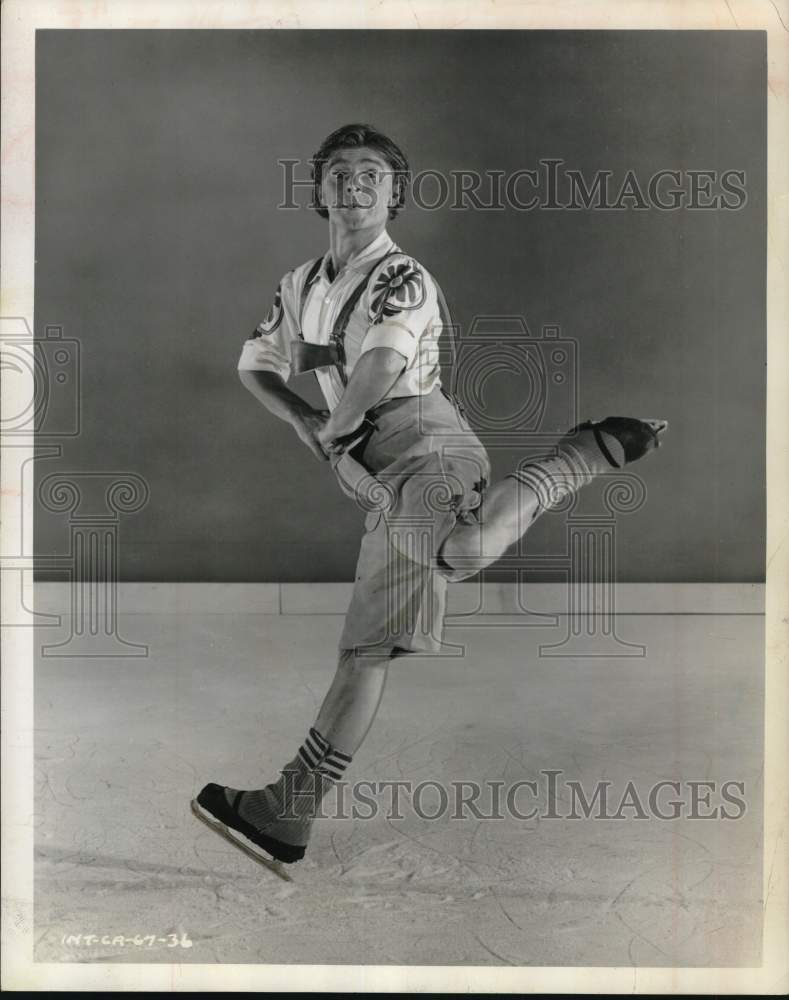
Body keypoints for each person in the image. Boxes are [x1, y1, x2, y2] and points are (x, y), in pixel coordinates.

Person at [192, 123, 667, 869]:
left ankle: (575, 457)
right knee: (364, 652)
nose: (355, 184)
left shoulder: (401, 277)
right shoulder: (299, 285)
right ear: (316, 190)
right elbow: (255, 366)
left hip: (427, 446)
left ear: (394, 195)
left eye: (372, 175)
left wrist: (336, 439)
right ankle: (287, 814)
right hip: (374, 473)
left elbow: (379, 371)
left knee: (461, 548)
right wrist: (307, 419)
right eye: (340, 173)